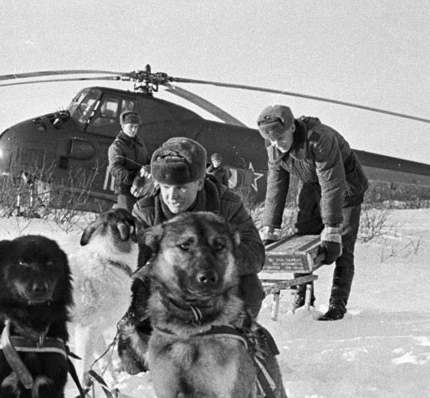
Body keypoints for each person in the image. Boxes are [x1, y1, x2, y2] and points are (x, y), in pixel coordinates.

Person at [256, 104, 369, 321]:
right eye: (272, 141)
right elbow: (276, 185)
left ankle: (337, 305)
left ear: (292, 129)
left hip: (345, 188)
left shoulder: (320, 139)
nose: (277, 145)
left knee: (341, 246)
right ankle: (302, 299)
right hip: (312, 184)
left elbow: (332, 183)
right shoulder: (273, 145)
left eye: (281, 139)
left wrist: (332, 227)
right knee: (302, 236)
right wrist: (270, 227)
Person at [132, 137, 266, 317]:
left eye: (181, 188)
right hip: (168, 290)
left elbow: (255, 254)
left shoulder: (227, 205)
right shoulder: (145, 211)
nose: (172, 196)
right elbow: (131, 257)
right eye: (165, 188)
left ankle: (238, 337)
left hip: (215, 284)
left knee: (250, 288)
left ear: (200, 183)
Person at [108, 110, 150, 211]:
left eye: (136, 127)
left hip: (141, 190)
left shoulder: (140, 145)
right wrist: (133, 178)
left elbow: (147, 161)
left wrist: (148, 168)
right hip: (125, 191)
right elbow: (115, 168)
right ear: (123, 127)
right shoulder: (117, 146)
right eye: (131, 126)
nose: (134, 130)